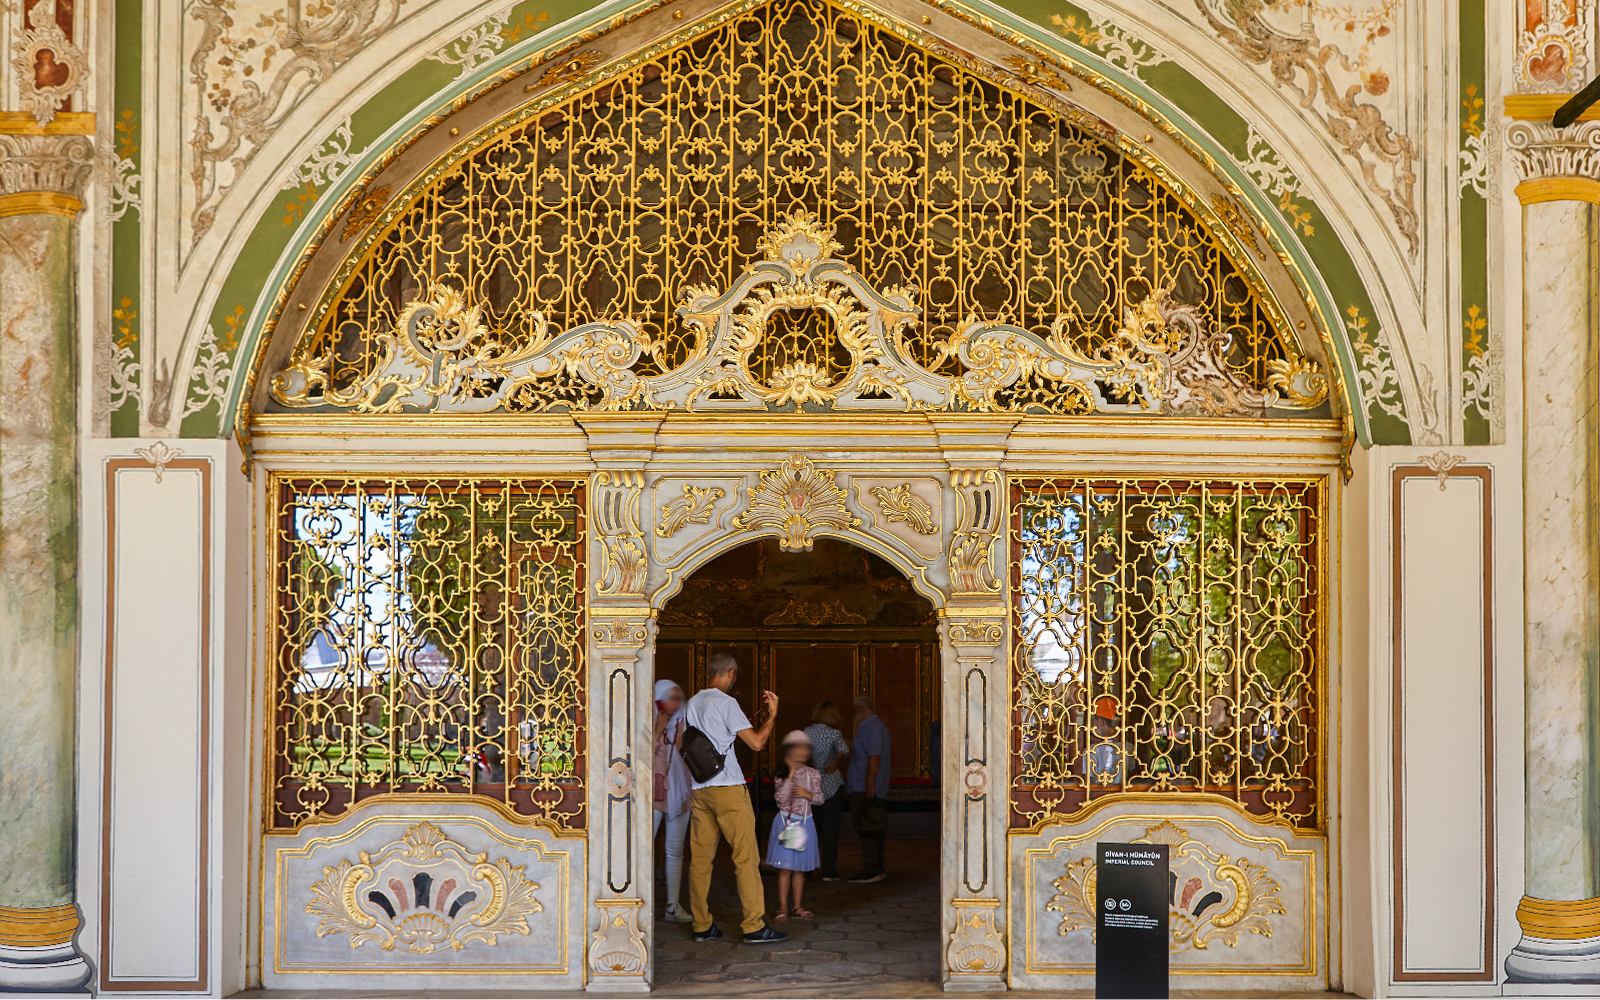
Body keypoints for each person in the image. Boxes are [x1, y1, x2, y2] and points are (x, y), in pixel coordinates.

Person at [684, 653, 788, 944]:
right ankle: (754, 925)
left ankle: (701, 925)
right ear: (730, 673)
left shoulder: (692, 704)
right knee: (746, 858)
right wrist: (773, 716)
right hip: (729, 788)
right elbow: (756, 743)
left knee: (700, 860)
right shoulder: (727, 703)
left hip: (700, 788)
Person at [765, 731, 822, 921]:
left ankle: (797, 906)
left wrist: (807, 794)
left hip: (804, 823)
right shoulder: (782, 774)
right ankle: (783, 907)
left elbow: (820, 799)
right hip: (785, 823)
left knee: (800, 868)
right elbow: (780, 798)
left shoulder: (812, 773)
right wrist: (790, 775)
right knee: (785, 868)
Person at [652, 679, 692, 923]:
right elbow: (633, 755)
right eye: (671, 698)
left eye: (679, 698)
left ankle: (672, 906)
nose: (675, 704)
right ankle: (638, 907)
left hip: (679, 789)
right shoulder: (644, 719)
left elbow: (684, 752)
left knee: (675, 851)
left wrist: (679, 732)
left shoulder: (681, 721)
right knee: (644, 849)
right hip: (653, 791)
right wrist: (658, 729)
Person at [803, 701, 850, 881]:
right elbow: (844, 750)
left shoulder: (806, 732)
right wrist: (835, 762)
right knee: (830, 830)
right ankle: (829, 872)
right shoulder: (834, 734)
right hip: (831, 785)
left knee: (810, 829)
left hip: (810, 787)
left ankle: (806, 870)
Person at [846, 695, 890, 883]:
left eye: (856, 709)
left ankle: (872, 869)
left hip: (863, 787)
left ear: (863, 709)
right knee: (873, 827)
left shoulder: (871, 729)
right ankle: (877, 867)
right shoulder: (872, 728)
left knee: (867, 828)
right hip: (865, 786)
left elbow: (874, 757)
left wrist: (869, 784)